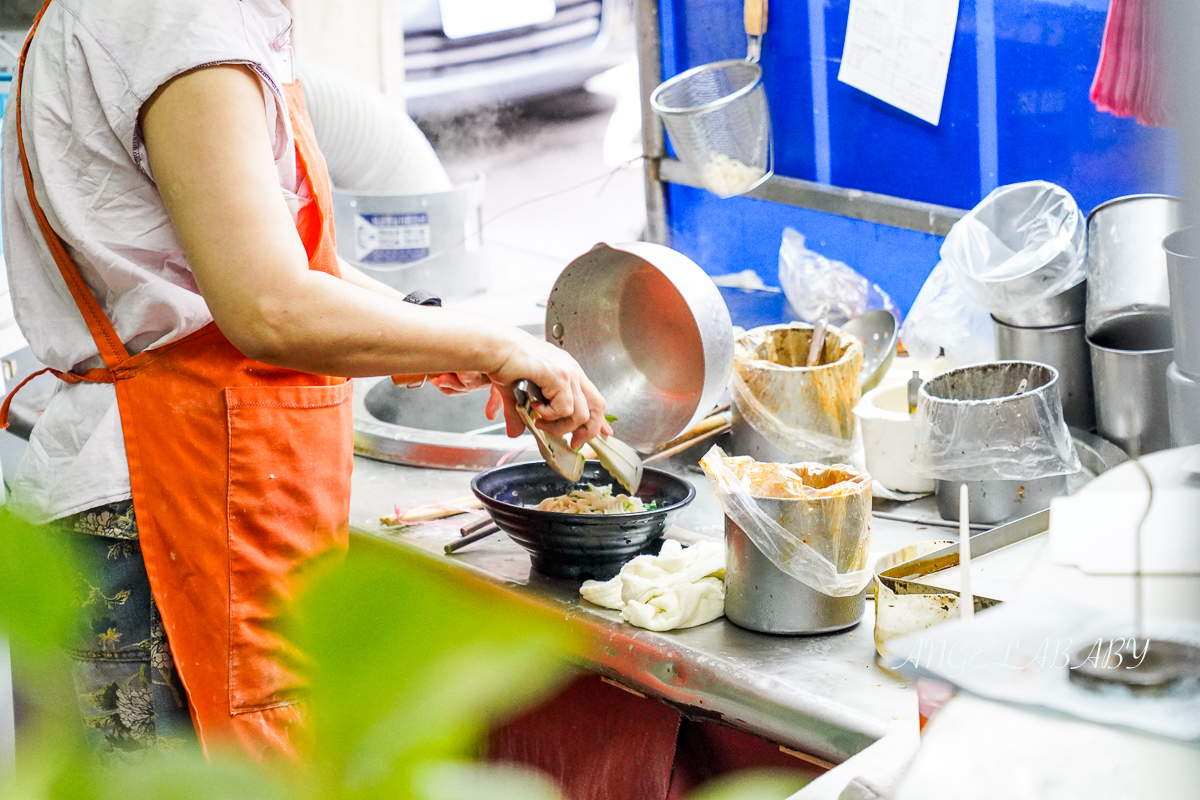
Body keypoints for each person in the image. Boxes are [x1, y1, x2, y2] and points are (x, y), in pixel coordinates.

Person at [1, 0, 607, 759]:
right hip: (163, 509)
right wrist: (487, 341)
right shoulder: (181, 19)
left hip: (196, 496)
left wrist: (434, 336)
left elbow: (271, 259)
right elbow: (267, 305)